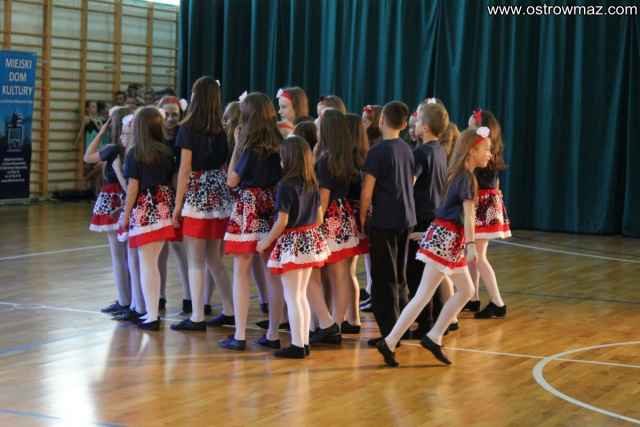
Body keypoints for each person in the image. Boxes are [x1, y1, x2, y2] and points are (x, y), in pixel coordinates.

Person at [376, 127, 492, 367]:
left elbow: (446, 212)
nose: (490, 154)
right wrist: (471, 244)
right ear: (472, 151)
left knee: (466, 290)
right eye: (487, 149)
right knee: (423, 296)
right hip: (447, 241)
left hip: (448, 240)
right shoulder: (465, 178)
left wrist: (431, 234)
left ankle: (433, 336)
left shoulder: (461, 175)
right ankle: (390, 342)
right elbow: (468, 216)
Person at [256, 136, 331, 358]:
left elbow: (282, 221)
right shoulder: (312, 184)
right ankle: (303, 342)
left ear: (288, 159)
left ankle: (298, 346)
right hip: (309, 241)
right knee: (300, 296)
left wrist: (266, 241)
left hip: (292, 244)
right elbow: (318, 219)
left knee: (293, 296)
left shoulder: (285, 186)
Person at [220, 92, 284, 351]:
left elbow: (231, 180)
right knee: (273, 275)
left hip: (249, 208)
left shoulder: (251, 148)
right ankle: (273, 333)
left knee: (241, 273)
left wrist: (237, 146)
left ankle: (239, 334)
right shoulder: (280, 143)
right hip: (273, 206)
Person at [171, 77, 235, 332]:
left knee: (196, 260)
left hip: (198, 193)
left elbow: (185, 168)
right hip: (219, 194)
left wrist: (178, 204)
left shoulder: (188, 129)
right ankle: (229, 310)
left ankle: (197, 316)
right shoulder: (221, 131)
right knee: (213, 258)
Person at [359, 101, 415, 346]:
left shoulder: (378, 151)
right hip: (406, 217)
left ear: (381, 120)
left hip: (385, 220)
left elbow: (367, 192)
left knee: (383, 278)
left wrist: (362, 217)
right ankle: (402, 327)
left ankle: (390, 334)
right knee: (399, 275)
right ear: (404, 125)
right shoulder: (407, 148)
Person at [120, 106, 177, 331]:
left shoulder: (135, 153)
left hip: (145, 207)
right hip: (163, 206)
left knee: (147, 264)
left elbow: (133, 189)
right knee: (152, 263)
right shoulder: (166, 152)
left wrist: (125, 217)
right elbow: (172, 181)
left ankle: (152, 316)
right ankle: (152, 313)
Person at [309, 109, 360, 343]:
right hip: (343, 214)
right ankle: (336, 324)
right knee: (340, 275)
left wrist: (314, 224)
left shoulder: (326, 160)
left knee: (330, 273)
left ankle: (330, 325)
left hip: (329, 217)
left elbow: (323, 198)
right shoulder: (344, 157)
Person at [405, 102, 449, 338]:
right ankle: (438, 319)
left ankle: (425, 322)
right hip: (435, 216)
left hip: (421, 219)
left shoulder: (420, 153)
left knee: (416, 273)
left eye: (418, 122)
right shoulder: (440, 150)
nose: (414, 126)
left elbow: (409, 185)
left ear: (426, 127)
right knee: (430, 274)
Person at [85, 106, 133, 315]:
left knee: (117, 254)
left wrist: (101, 132)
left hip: (114, 198)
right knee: (129, 255)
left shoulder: (113, 148)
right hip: (127, 197)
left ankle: (124, 300)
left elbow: (87, 157)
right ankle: (132, 300)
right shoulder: (132, 146)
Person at [464, 108, 511, 318]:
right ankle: (472, 298)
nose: (468, 131)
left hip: (482, 204)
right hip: (486, 202)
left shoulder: (482, 151)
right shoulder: (491, 150)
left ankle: (497, 302)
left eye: (471, 127)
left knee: (478, 256)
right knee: (471, 255)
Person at [157, 96, 192, 316]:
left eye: (174, 115)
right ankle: (159, 296)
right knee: (159, 251)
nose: (170, 119)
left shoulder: (183, 138)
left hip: (177, 197)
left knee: (179, 248)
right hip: (158, 199)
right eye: (166, 114)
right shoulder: (155, 138)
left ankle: (188, 297)